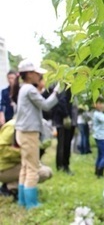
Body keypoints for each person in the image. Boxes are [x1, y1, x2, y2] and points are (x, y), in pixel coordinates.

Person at [13, 59, 59, 209]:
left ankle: (22, 200)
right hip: (29, 133)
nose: (39, 76)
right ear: (30, 74)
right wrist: (57, 92)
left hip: (22, 132)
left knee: (25, 167)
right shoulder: (30, 89)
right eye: (37, 73)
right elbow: (46, 106)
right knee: (32, 168)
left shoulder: (23, 88)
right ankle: (31, 204)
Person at [0, 119, 53, 199]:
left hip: (14, 165)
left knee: (47, 171)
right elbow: (2, 150)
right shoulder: (12, 127)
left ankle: (12, 186)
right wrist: (24, 151)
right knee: (43, 172)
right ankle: (9, 188)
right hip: (3, 167)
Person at [51, 88, 78, 175]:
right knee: (63, 145)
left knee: (66, 144)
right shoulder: (64, 87)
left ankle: (64, 165)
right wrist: (66, 115)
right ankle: (62, 166)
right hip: (63, 121)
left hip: (70, 120)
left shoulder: (72, 88)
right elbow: (61, 101)